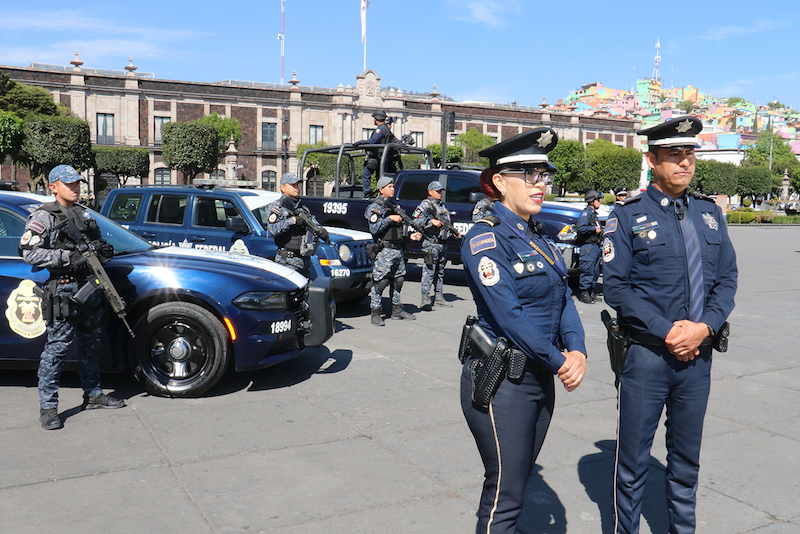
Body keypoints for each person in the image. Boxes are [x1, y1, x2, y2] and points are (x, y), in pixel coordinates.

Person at [603, 116, 737, 534]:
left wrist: (705, 327)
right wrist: (669, 331)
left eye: (690, 154)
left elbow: (727, 280)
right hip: (646, 358)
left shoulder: (710, 214)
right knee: (633, 463)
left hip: (698, 359)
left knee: (685, 462)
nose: (685, 163)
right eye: (674, 155)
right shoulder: (627, 216)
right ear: (652, 160)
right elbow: (617, 288)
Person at [459, 128, 587, 533]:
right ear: (499, 181)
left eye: (543, 175)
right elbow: (510, 316)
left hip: (539, 376)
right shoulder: (485, 239)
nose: (540, 183)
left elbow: (562, 297)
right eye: (528, 174)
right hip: (503, 382)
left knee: (517, 484)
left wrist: (578, 350)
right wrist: (560, 362)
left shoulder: (538, 237)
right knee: (505, 496)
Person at [20, 164, 125, 430]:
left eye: (78, 183)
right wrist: (66, 257)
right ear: (53, 187)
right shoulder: (44, 217)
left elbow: (96, 246)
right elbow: (28, 252)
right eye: (70, 184)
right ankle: (48, 408)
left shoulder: (84, 214)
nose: (76, 188)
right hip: (64, 289)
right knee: (57, 349)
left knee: (91, 345)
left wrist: (103, 250)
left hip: (89, 287)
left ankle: (93, 394)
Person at [364, 175, 415, 325]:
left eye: (393, 186)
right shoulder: (375, 207)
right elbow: (374, 228)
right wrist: (389, 219)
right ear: (381, 189)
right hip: (384, 250)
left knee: (398, 280)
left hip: (398, 249)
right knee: (380, 282)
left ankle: (397, 309)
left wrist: (412, 235)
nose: (393, 189)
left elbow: (401, 227)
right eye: (389, 187)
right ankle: (375, 312)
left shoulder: (393, 206)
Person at [411, 180, 461, 310]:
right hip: (431, 243)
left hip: (442, 244)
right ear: (430, 192)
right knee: (429, 271)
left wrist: (454, 232)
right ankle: (425, 299)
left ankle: (438, 296)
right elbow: (415, 221)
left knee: (440, 272)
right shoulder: (426, 205)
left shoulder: (442, 206)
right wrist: (430, 221)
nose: (440, 193)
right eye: (437, 191)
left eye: (440, 191)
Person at [266, 172, 328, 277]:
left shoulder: (302, 208)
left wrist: (321, 230)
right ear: (283, 188)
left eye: (297, 185)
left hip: (304, 260)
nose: (296, 187)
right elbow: (272, 229)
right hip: (287, 261)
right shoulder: (277, 207)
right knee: (288, 292)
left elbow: (312, 224)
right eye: (293, 185)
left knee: (305, 292)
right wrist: (293, 221)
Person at [355, 110, 392, 197]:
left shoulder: (380, 130)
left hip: (376, 157)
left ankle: (367, 194)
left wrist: (361, 142)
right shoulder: (387, 129)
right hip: (384, 157)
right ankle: (381, 194)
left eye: (374, 119)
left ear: (377, 119)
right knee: (380, 177)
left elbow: (372, 141)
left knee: (366, 175)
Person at [576, 189, 603, 303]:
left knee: (595, 271)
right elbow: (581, 228)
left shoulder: (593, 214)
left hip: (595, 246)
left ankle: (591, 292)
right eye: (598, 200)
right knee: (587, 270)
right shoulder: (586, 213)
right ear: (592, 201)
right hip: (588, 247)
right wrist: (594, 229)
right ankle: (584, 293)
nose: (599, 202)